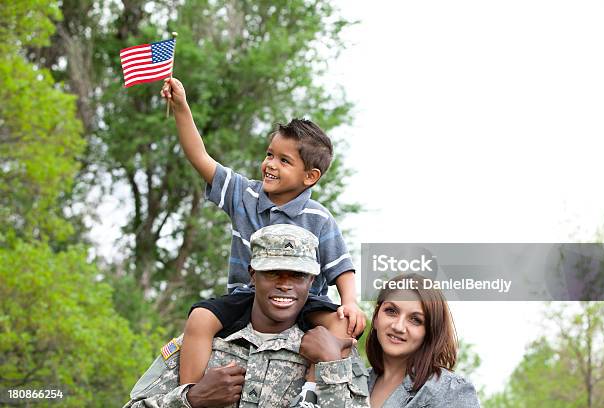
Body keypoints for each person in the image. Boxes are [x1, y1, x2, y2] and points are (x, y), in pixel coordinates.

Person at [160, 77, 366, 386]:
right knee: (200, 318)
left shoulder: (319, 218)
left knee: (340, 325)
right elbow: (199, 157)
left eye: (284, 160)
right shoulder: (244, 195)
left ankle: (310, 393)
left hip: (304, 302)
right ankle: (189, 394)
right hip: (248, 297)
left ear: (310, 176)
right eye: (270, 154)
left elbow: (341, 266)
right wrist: (181, 108)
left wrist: (349, 301)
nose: (270, 164)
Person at [123, 224, 370, 408]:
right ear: (253, 274)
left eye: (298, 275)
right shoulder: (211, 341)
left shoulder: (331, 350)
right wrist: (192, 398)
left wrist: (330, 368)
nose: (285, 284)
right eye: (273, 272)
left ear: (312, 281)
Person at [365, 274, 480, 408]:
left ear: (430, 332)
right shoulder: (354, 381)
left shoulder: (450, 391)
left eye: (415, 320)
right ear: (376, 318)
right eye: (391, 311)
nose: (398, 327)